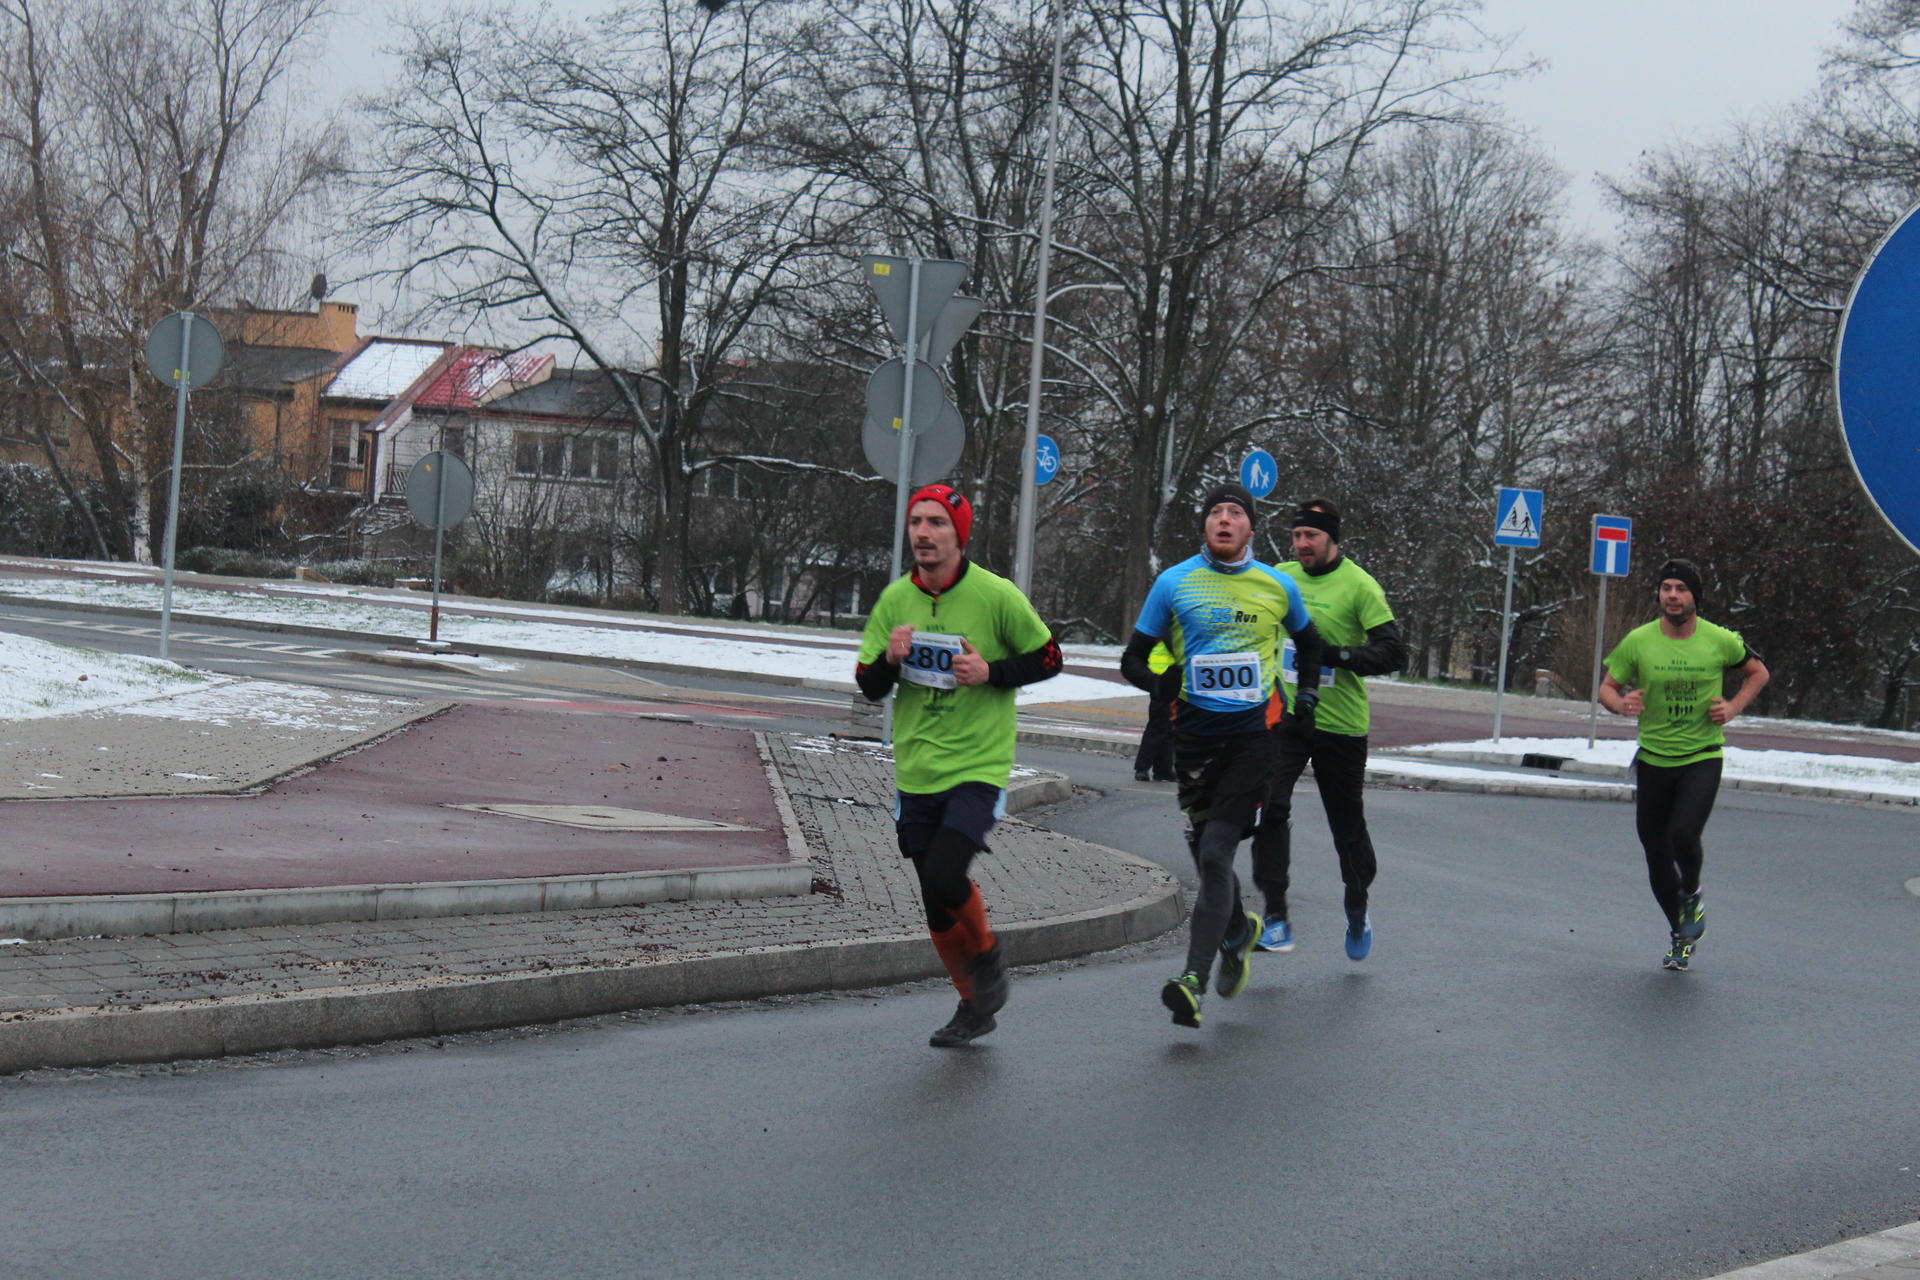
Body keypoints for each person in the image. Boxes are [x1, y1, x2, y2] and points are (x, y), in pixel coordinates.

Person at [855, 484, 1063, 1045]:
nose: (923, 533)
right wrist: (889, 659)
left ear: (959, 534)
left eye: (937, 523)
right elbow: (868, 685)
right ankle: (974, 1006)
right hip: (916, 769)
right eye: (916, 522)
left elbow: (1050, 657)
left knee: (946, 875)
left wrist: (992, 672)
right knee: (934, 900)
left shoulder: (995, 595)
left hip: (978, 765)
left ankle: (988, 955)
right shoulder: (895, 600)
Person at [1121, 482, 1325, 1029]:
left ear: (1251, 526)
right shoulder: (1174, 582)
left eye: (1236, 512)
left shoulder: (1277, 585)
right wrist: (1159, 682)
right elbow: (1132, 659)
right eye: (1216, 512)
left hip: (1254, 740)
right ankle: (1237, 931)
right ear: (1205, 525)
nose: (1225, 519)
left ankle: (1192, 981)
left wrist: (1307, 696)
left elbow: (1311, 644)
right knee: (1205, 853)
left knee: (1215, 854)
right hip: (1193, 739)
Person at [1250, 498, 1405, 960]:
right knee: (1269, 808)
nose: (1302, 544)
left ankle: (1356, 905)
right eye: (1297, 535)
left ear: (1332, 539)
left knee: (1347, 828)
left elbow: (1394, 653)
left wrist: (1334, 655)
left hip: (1341, 727)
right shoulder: (1280, 577)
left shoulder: (1359, 586)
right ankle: (1276, 918)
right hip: (1288, 719)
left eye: (1311, 536)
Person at [1598, 559, 1769, 972]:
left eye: (1681, 589)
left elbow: (1758, 673)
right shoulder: (1639, 641)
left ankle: (1691, 894)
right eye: (1666, 588)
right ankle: (1681, 934)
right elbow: (1607, 687)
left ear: (1695, 597)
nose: (1673, 596)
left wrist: (1732, 707)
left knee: (1683, 834)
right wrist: (1620, 704)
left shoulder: (1719, 640)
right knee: (1655, 852)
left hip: (1701, 756)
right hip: (1653, 758)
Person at [1133, 640, 1178, 782]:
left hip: (1169, 677)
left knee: (1169, 725)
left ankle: (1163, 769)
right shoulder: (1171, 630)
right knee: (1158, 725)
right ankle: (1143, 767)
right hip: (1163, 677)